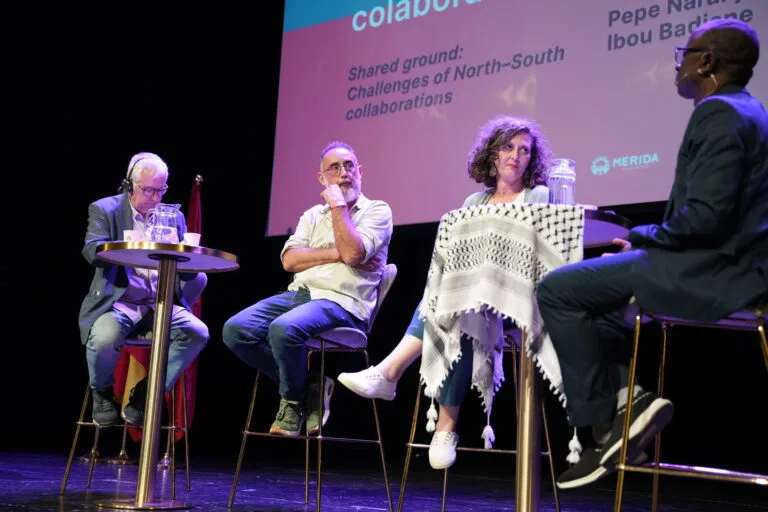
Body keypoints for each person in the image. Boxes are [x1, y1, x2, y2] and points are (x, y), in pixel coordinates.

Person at [536, 18, 767, 489]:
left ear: (707, 62)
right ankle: (627, 404)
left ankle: (603, 428)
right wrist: (645, 247)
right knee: (596, 291)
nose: (678, 64)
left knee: (558, 288)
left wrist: (642, 237)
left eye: (685, 53)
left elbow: (706, 218)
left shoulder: (720, 113)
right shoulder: (749, 110)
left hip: (719, 273)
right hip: (721, 263)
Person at [338, 115, 552, 468]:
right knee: (457, 306)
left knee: (455, 300)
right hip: (471, 299)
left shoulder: (538, 194)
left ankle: (391, 374)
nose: (516, 155)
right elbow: (456, 253)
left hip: (517, 299)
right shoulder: (474, 201)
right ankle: (444, 427)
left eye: (524, 150)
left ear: (532, 158)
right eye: (508, 147)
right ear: (493, 153)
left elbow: (527, 249)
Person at [223, 141, 393, 437]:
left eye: (349, 166)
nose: (343, 174)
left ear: (360, 171)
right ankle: (311, 384)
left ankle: (291, 401)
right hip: (301, 295)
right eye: (334, 168)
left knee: (283, 329)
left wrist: (339, 207)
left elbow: (353, 253)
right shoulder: (312, 215)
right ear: (322, 178)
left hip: (344, 302)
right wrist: (337, 252)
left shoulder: (376, 210)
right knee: (235, 330)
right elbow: (290, 260)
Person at [78, 152, 209, 426]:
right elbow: (91, 251)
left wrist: (188, 257)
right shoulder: (105, 209)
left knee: (197, 333)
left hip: (159, 302)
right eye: (147, 190)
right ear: (130, 185)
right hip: (120, 302)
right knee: (104, 339)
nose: (154, 197)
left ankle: (148, 392)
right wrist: (125, 250)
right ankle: (102, 392)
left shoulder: (172, 216)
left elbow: (184, 265)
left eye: (160, 190)